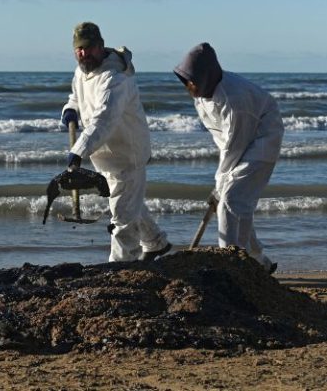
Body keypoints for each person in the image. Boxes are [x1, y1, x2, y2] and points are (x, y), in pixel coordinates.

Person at [61, 22, 171, 262]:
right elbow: (76, 97)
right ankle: (155, 243)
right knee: (128, 202)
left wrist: (78, 150)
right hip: (104, 155)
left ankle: (122, 266)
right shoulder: (82, 72)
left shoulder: (115, 79)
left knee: (121, 216)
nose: (83, 53)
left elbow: (104, 120)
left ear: (101, 47)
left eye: (88, 48)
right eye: (79, 49)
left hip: (127, 154)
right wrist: (70, 109)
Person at [174, 42, 283, 272]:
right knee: (238, 201)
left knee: (231, 200)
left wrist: (220, 184)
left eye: (192, 79)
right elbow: (224, 140)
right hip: (238, 140)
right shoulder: (202, 92)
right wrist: (221, 181)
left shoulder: (235, 101)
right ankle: (257, 261)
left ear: (206, 75)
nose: (189, 84)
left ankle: (232, 267)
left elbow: (235, 146)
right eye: (186, 79)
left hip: (263, 137)